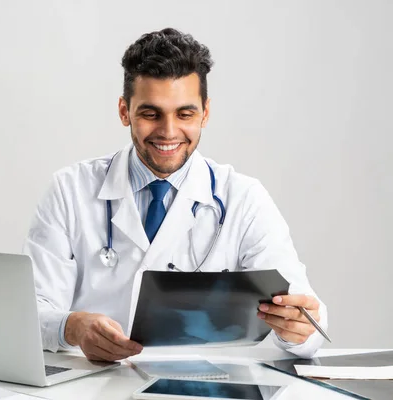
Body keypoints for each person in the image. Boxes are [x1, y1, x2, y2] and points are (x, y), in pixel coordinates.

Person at [24, 28, 327, 362]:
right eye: (150, 113)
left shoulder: (243, 198)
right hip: (94, 383)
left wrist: (298, 329)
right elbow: (29, 313)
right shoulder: (70, 190)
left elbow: (307, 318)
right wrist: (72, 327)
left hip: (204, 386)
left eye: (185, 114)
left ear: (205, 113)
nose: (168, 132)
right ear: (125, 111)